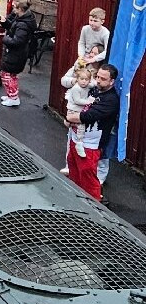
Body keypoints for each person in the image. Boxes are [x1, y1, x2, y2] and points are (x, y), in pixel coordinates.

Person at [66, 64, 120, 202]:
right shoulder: (94, 89)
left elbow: (89, 115)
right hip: (77, 138)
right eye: (97, 77)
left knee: (88, 178)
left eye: (103, 78)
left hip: (91, 145)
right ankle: (76, 201)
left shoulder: (111, 100)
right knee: (74, 171)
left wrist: (71, 117)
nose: (98, 80)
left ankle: (95, 207)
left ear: (111, 81)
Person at [0, 0, 38, 107]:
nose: (13, 10)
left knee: (7, 75)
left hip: (16, 54)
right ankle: (11, 95)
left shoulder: (23, 24)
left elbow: (17, 41)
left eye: (15, 8)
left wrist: (5, 39)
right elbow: (13, 27)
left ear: (20, 9)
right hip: (17, 54)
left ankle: (14, 97)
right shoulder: (22, 19)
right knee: (10, 74)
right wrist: (5, 23)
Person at [63, 8, 110, 82]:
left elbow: (107, 51)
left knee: (88, 76)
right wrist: (81, 56)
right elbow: (81, 42)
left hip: (96, 58)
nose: (92, 23)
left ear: (102, 21)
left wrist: (93, 59)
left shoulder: (105, 33)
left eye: (95, 21)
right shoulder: (85, 29)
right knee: (76, 70)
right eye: (90, 20)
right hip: (85, 55)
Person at [64, 65, 97, 158]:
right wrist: (89, 102)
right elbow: (77, 101)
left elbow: (93, 84)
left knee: (78, 126)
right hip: (73, 110)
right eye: (82, 79)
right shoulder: (76, 88)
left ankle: (77, 139)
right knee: (80, 126)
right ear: (77, 79)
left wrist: (96, 82)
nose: (84, 81)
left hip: (79, 111)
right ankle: (79, 143)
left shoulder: (87, 85)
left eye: (86, 79)